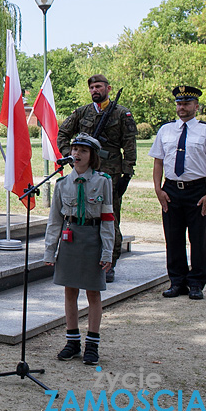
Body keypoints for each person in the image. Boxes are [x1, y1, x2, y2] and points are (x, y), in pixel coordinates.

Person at [57, 74, 137, 283]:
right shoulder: (82, 112)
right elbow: (63, 133)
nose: (95, 90)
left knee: (110, 217)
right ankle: (84, 257)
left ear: (108, 88)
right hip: (83, 173)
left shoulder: (121, 114)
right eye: (92, 87)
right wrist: (71, 156)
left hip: (110, 174)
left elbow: (129, 146)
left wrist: (127, 173)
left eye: (99, 87)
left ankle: (110, 261)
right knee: (82, 215)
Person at [44, 133, 115, 366]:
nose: (76, 154)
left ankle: (92, 344)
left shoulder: (103, 181)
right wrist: (49, 251)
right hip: (70, 239)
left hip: (92, 239)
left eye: (83, 151)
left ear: (92, 155)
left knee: (93, 293)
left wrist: (107, 251)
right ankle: (72, 341)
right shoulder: (62, 184)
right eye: (74, 149)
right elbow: (55, 220)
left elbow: (107, 219)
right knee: (70, 291)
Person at [149, 86, 206, 301]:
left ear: (196, 106)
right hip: (171, 190)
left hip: (197, 191)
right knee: (173, 238)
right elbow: (158, 162)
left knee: (198, 238)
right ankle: (177, 281)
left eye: (187, 103)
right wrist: (158, 190)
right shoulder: (165, 130)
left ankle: (196, 283)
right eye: (179, 103)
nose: (182, 107)